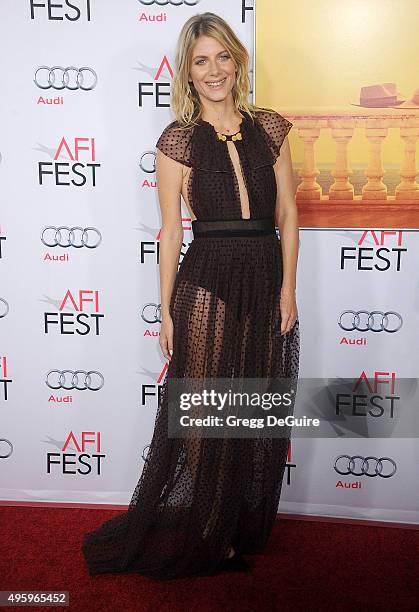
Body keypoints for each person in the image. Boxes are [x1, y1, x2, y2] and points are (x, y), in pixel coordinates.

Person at [82, 11, 300, 580]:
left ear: (237, 61)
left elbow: (289, 213)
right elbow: (172, 231)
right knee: (203, 409)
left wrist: (289, 289)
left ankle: (230, 521)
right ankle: (208, 531)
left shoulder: (271, 128)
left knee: (248, 407)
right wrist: (166, 310)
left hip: (262, 271)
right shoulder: (177, 141)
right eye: (200, 61)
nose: (213, 70)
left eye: (222, 57)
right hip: (205, 279)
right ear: (187, 72)